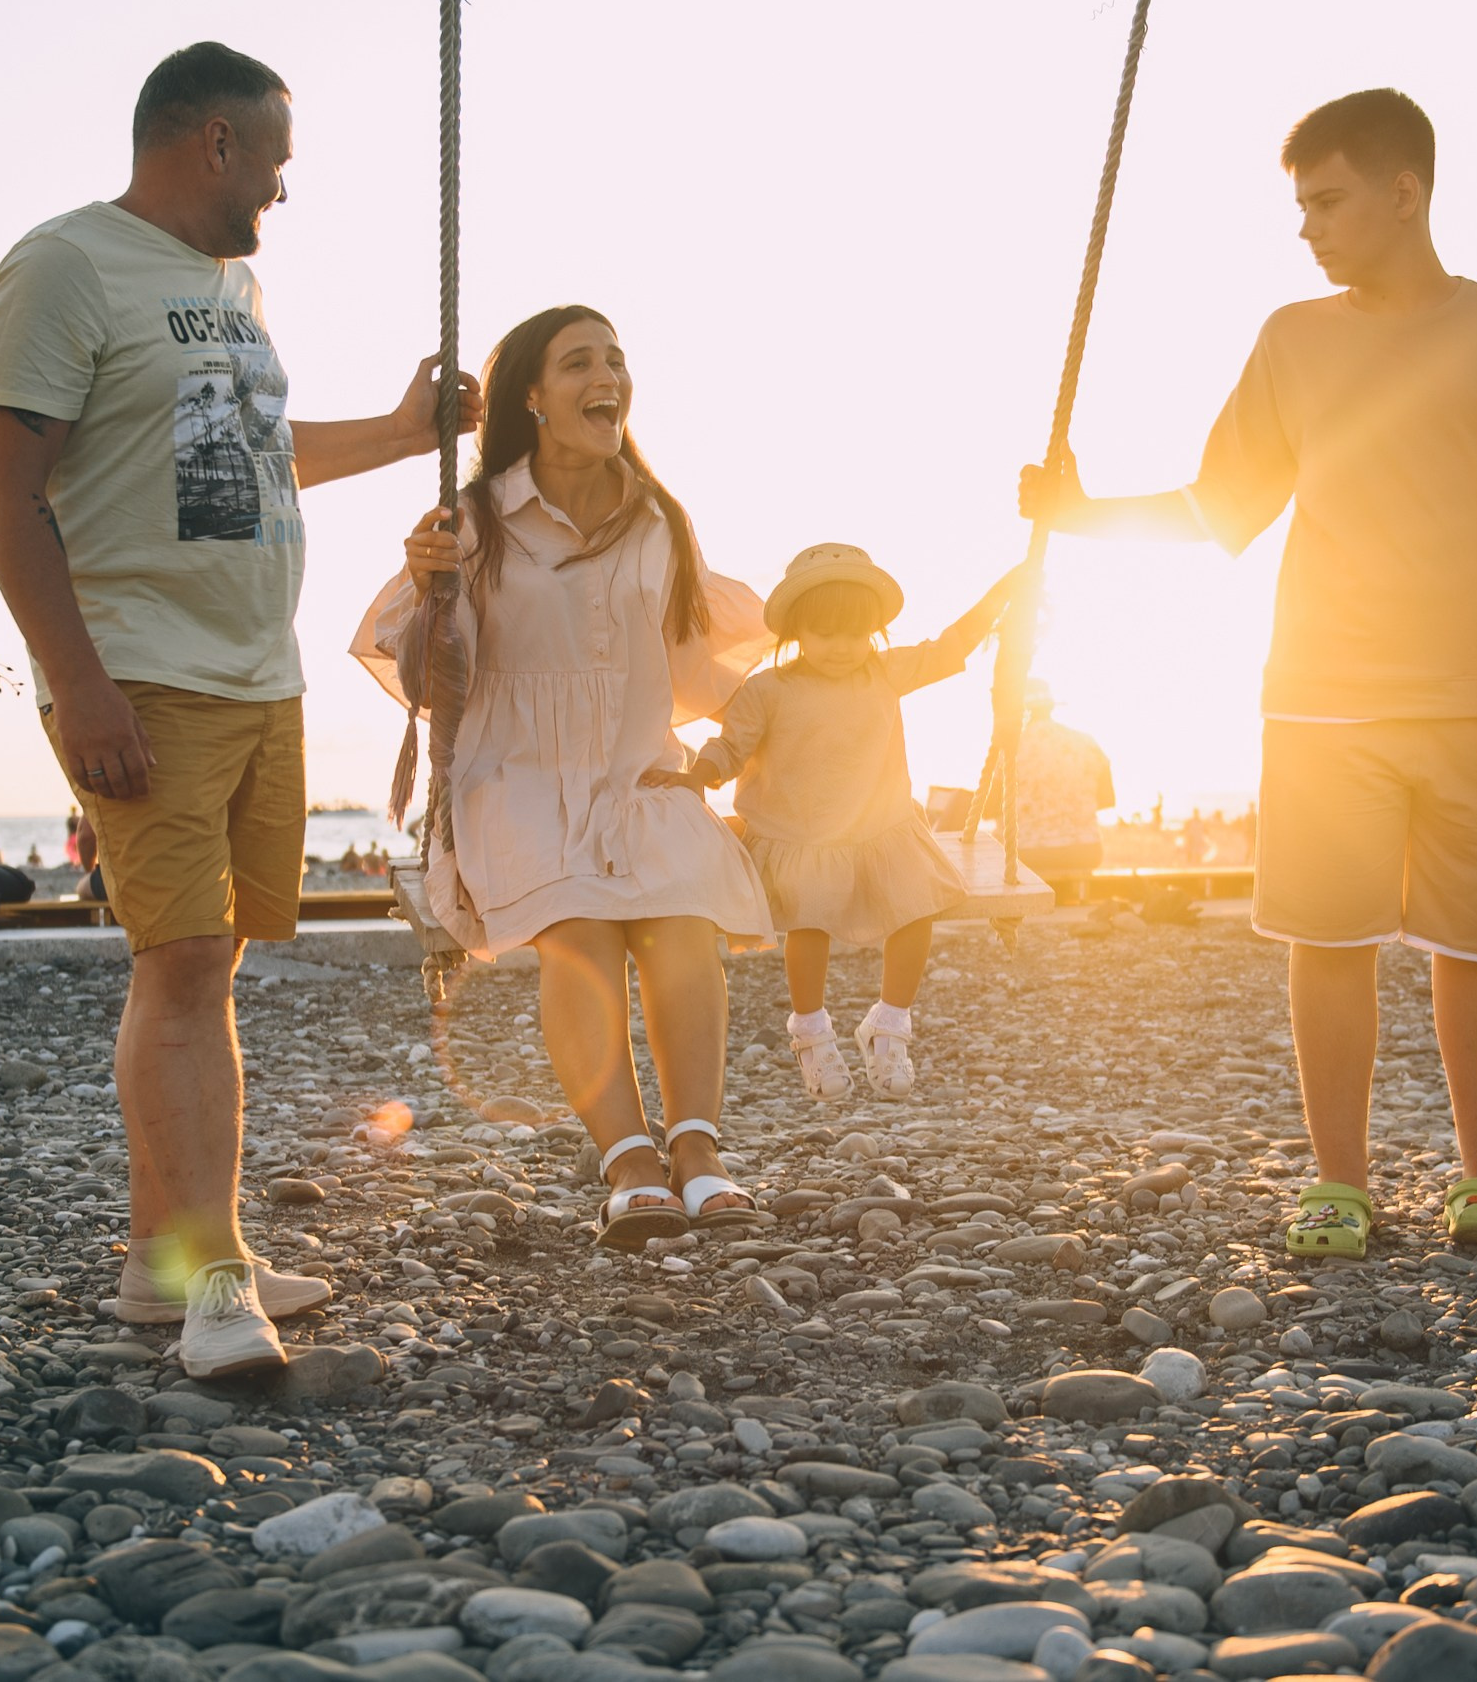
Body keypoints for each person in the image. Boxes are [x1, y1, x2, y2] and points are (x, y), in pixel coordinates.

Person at [1021, 88, 1477, 1260]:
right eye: (1300, 207)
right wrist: (1078, 513)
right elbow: (1217, 505)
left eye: (1329, 200)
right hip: (1320, 695)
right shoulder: (1293, 337)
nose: (1309, 228)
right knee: (1326, 941)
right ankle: (1337, 1184)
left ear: (1406, 192)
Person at [0, 41, 479, 1379]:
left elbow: (253, 454)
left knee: (210, 965)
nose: (285, 192)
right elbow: (1, 490)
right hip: (144, 671)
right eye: (277, 161)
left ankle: (164, 1260)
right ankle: (209, 1279)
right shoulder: (65, 267)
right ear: (212, 143)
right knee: (183, 966)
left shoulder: (229, 286)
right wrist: (79, 680)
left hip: (260, 668)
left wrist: (399, 423)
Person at [354, 304, 773, 1251]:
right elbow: (431, 684)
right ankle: (629, 1165)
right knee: (579, 933)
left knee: (680, 927)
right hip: (518, 782)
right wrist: (431, 589)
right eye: (579, 362)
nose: (607, 378)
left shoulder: (660, 517)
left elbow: (697, 660)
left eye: (617, 360)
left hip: (632, 772)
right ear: (532, 397)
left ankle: (698, 1154)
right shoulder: (476, 520)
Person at [651, 545, 1022, 1101]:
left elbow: (950, 646)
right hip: (801, 836)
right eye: (825, 634)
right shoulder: (768, 690)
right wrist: (698, 775)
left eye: (855, 634)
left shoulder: (885, 672)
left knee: (916, 911)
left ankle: (890, 1023)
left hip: (881, 828)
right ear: (797, 631)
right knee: (808, 924)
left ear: (875, 632)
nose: (842, 648)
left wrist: (1001, 598)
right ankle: (812, 1031)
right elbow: (731, 745)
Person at [1015, 679, 1115, 883]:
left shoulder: (1010, 750)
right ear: (1051, 707)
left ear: (1021, 711)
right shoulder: (1086, 742)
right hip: (1085, 851)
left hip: (1027, 855)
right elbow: (1106, 800)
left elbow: (991, 809)